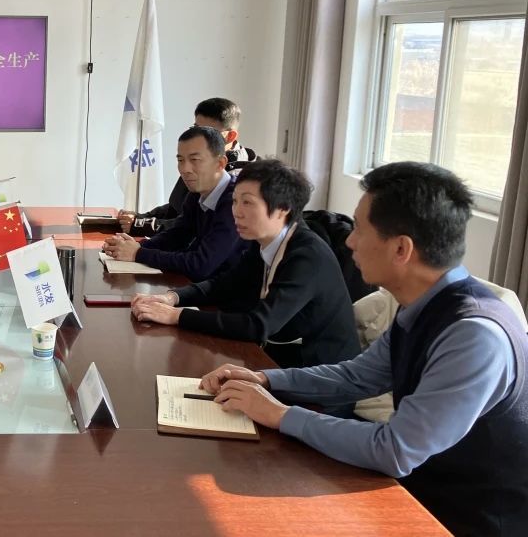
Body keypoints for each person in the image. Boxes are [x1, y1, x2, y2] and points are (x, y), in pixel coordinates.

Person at [199, 162, 528, 536]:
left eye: (358, 228)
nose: (349, 242)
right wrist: (265, 380)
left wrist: (280, 414)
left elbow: (395, 449)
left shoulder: (473, 336)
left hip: (467, 519)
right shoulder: (424, 305)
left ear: (401, 248)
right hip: (423, 492)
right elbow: (356, 377)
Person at [131, 160, 360, 375]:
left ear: (283, 208)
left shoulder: (307, 256)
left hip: (318, 375)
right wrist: (172, 297)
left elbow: (258, 325)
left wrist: (176, 316)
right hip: (279, 357)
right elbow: (224, 284)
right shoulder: (265, 241)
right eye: (235, 201)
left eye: (247, 202)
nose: (236, 212)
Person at [103, 126, 244, 281]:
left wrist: (138, 253)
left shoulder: (235, 202)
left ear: (220, 163)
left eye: (195, 160)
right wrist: (133, 247)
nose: (185, 169)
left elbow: (201, 265)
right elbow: (177, 235)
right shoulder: (197, 192)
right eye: (180, 160)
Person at [119, 97, 257, 235]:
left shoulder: (240, 180)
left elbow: (196, 227)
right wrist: (141, 217)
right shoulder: (192, 161)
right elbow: (177, 208)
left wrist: (144, 225)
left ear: (230, 136)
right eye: (196, 128)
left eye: (208, 132)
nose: (186, 168)